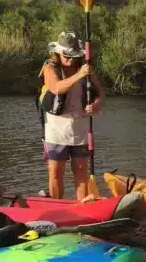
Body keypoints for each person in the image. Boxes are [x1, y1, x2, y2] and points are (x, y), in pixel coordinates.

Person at [38, 31, 105, 200]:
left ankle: (82, 205)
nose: (70, 59)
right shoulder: (50, 67)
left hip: (80, 128)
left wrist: (97, 104)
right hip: (56, 129)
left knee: (81, 170)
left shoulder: (85, 69)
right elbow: (56, 88)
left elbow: (101, 94)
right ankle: (57, 206)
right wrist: (79, 75)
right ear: (58, 52)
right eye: (66, 55)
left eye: (73, 56)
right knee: (55, 172)